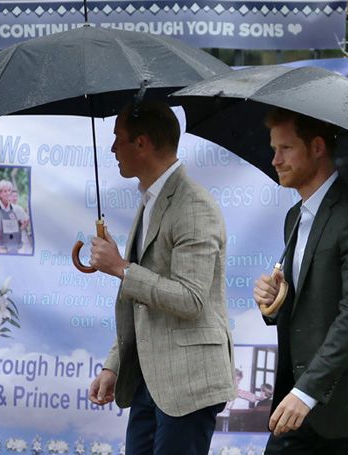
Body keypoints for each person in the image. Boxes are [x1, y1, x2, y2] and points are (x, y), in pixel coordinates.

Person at [87, 100, 235, 454]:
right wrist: (115, 365)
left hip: (188, 385)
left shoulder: (193, 205)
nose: (112, 149)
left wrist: (122, 268)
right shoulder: (150, 200)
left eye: (118, 139)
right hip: (148, 382)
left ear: (142, 143)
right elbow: (142, 303)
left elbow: (191, 299)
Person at [252, 108, 348, 454]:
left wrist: (306, 392)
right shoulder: (295, 217)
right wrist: (274, 302)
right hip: (299, 406)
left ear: (317, 147)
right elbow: (309, 302)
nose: (275, 159)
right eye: (274, 148)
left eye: (285, 148)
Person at [0, 180, 30, 254]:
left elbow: (27, 219)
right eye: (5, 191)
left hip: (18, 247)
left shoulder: (17, 208)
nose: (8, 193)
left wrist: (20, 230)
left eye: (9, 190)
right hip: (2, 248)